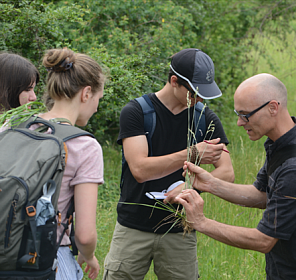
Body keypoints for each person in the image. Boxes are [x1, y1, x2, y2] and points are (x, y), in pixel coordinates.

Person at [175, 73, 296, 280]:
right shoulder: (286, 140)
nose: (238, 122)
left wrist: (201, 222)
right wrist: (210, 183)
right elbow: (261, 194)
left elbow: (264, 240)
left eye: (245, 114)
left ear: (273, 107)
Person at [103, 48, 234, 280]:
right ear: (174, 81)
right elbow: (140, 170)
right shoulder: (136, 112)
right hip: (133, 227)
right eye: (194, 93)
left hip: (180, 229)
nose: (200, 99)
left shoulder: (205, 118)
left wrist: (190, 187)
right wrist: (192, 152)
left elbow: (226, 172)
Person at [36, 48, 104, 279]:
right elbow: (84, 235)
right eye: (98, 99)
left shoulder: (11, 128)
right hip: (51, 258)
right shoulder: (84, 145)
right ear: (86, 93)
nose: (96, 107)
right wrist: (88, 255)